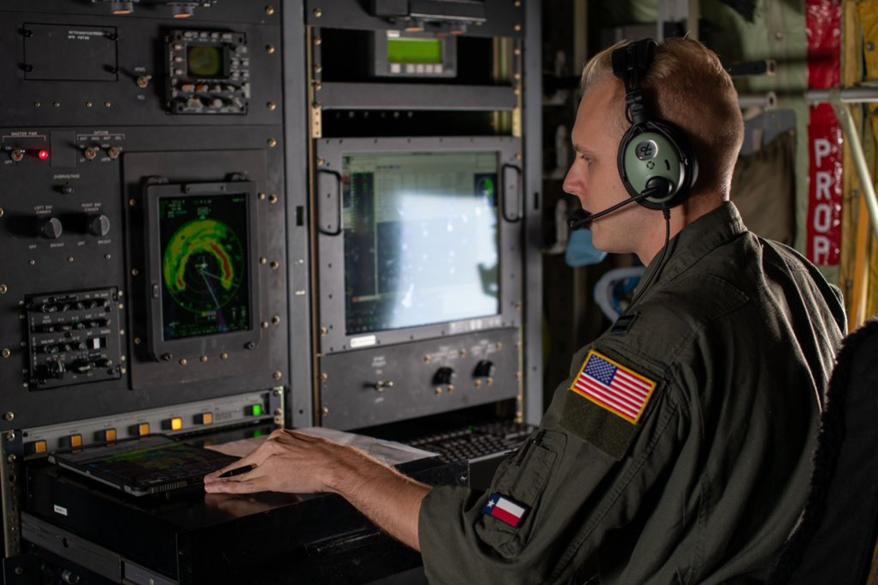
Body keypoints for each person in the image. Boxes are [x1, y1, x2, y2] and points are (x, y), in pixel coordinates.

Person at [205, 38, 847, 584]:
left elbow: (500, 558)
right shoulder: (796, 278)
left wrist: (339, 468)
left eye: (589, 159)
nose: (570, 180)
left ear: (657, 171)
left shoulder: (654, 345)